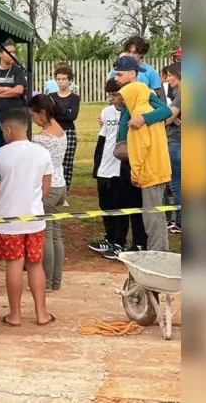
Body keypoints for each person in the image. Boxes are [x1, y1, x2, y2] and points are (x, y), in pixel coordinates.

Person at [0, 108, 56, 328]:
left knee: (14, 264)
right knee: (35, 264)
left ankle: (15, 315)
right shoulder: (42, 153)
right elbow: (46, 188)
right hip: (35, 217)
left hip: (9, 220)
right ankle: (42, 314)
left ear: (8, 130)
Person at [113, 56, 172, 252]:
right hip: (130, 154)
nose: (117, 77)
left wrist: (144, 118)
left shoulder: (143, 92)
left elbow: (165, 111)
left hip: (145, 161)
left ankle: (156, 251)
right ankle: (141, 245)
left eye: (120, 74)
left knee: (151, 210)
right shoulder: (129, 94)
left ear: (133, 74)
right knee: (136, 204)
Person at [89, 79, 148, 259]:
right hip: (106, 166)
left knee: (122, 205)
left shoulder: (133, 113)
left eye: (115, 95)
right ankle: (110, 237)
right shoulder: (106, 112)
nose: (112, 99)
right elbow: (103, 139)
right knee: (105, 204)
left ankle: (120, 242)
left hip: (122, 168)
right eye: (110, 95)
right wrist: (97, 166)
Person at [27, 95, 68, 291]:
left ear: (42, 113)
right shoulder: (60, 130)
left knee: (46, 234)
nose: (33, 120)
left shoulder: (40, 139)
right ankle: (55, 281)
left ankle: (47, 281)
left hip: (48, 187)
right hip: (60, 186)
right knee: (55, 234)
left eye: (33, 116)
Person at [0, 41, 27, 147]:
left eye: (14, 52)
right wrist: (7, 89)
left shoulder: (18, 71)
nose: (12, 55)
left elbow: (18, 91)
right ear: (0, 54)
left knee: (15, 146)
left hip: (14, 118)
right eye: (9, 52)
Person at [49, 64, 80, 191]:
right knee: (53, 163)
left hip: (69, 132)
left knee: (67, 163)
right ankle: (52, 189)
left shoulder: (74, 98)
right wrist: (65, 111)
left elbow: (73, 116)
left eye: (64, 79)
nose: (61, 82)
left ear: (70, 80)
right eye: (59, 79)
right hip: (53, 132)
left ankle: (65, 191)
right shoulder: (51, 96)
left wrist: (58, 111)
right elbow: (49, 115)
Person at [164, 62, 181, 233]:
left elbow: (167, 119)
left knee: (176, 184)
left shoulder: (182, 95)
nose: (167, 79)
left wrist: (169, 114)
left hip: (177, 142)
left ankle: (179, 222)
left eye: (170, 75)